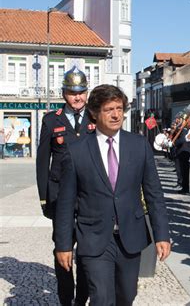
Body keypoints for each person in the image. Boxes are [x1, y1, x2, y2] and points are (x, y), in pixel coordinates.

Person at [54, 84, 171, 306]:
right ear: (95, 113)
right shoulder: (77, 151)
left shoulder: (139, 146)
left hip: (130, 235)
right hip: (93, 237)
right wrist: (64, 244)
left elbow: (154, 193)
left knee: (126, 296)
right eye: (109, 109)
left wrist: (162, 234)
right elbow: (66, 204)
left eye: (119, 108)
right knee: (101, 297)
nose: (116, 114)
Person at [35, 66, 91, 306]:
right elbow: (41, 163)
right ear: (63, 93)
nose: (77, 97)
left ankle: (82, 299)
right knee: (63, 251)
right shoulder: (51, 120)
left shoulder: (96, 118)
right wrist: (45, 199)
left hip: (90, 198)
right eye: (71, 92)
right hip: (60, 199)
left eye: (81, 92)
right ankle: (66, 299)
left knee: (89, 252)